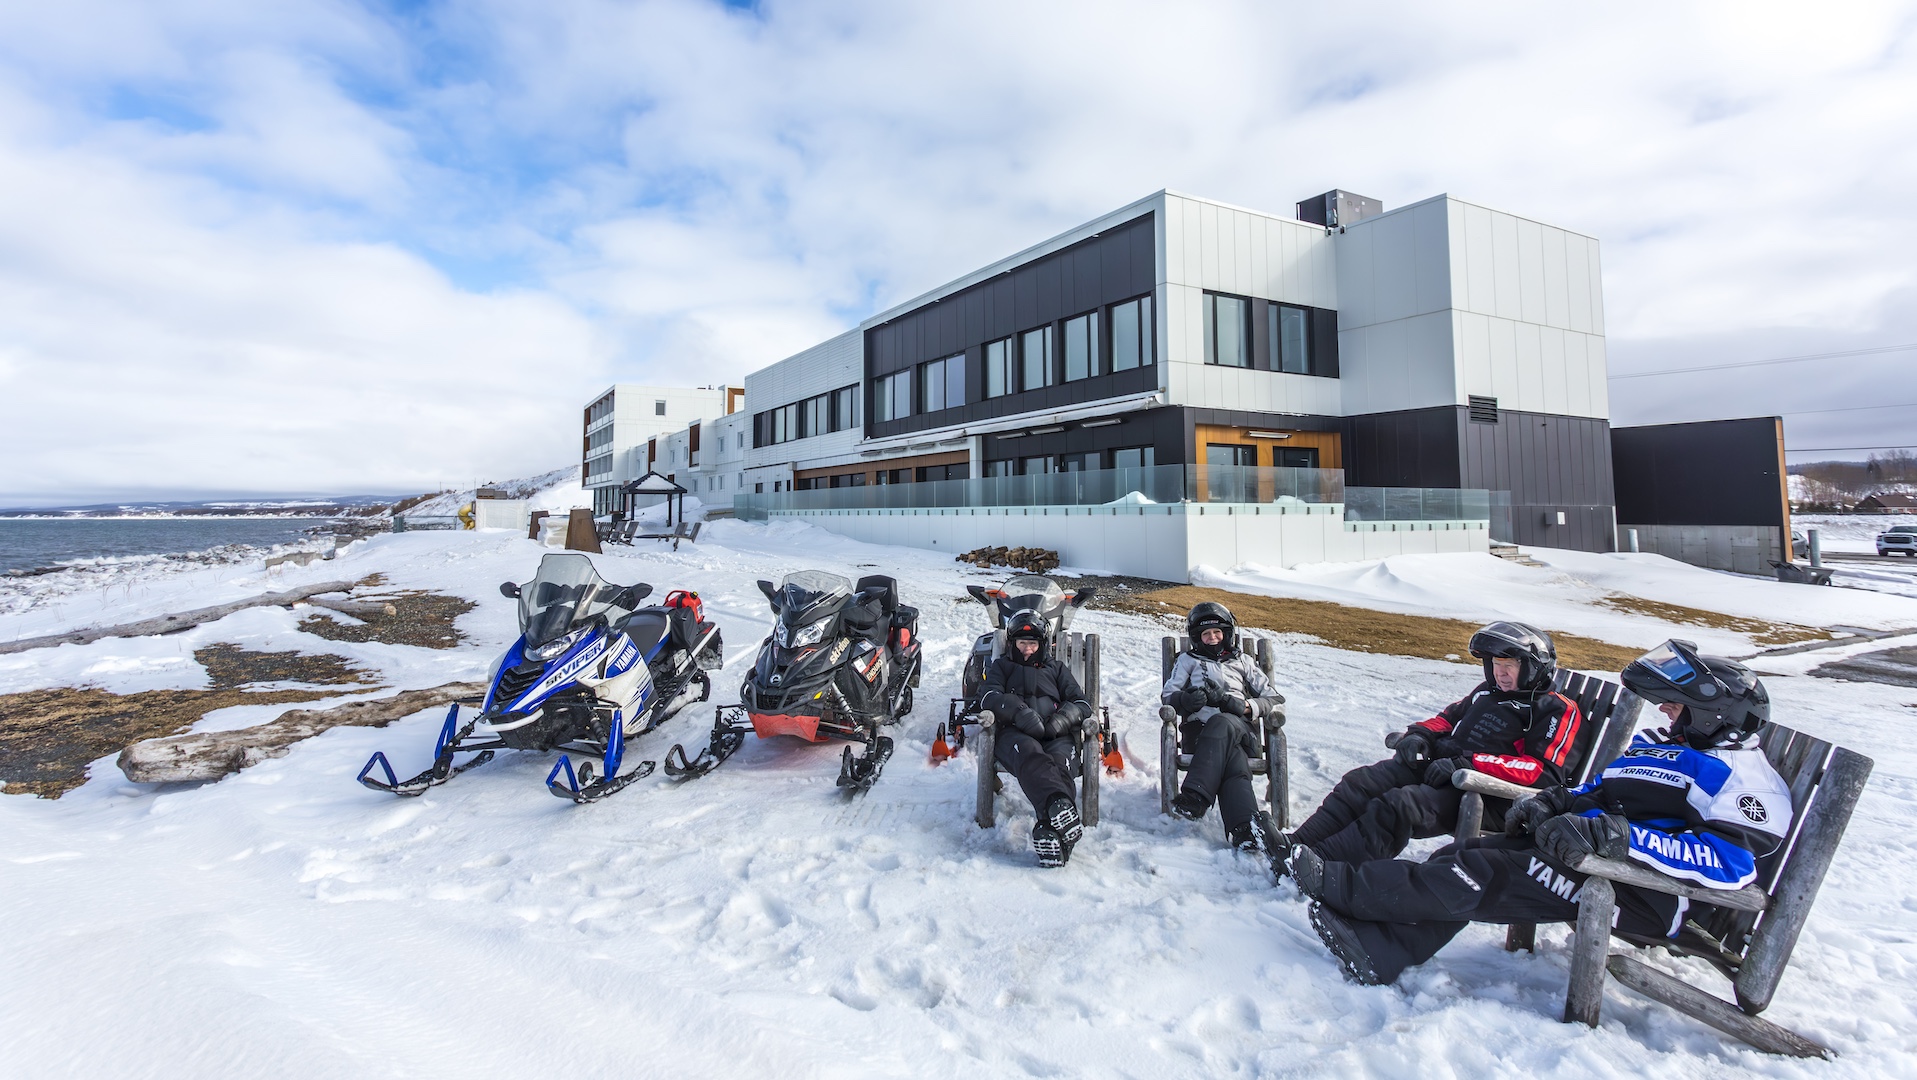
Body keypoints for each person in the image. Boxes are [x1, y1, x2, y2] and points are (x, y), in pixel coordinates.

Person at [1287, 640, 1794, 985]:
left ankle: (1342, 888)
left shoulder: (1745, 780)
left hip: (1644, 892)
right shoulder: (1662, 749)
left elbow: (1731, 863)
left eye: (1676, 706)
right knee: (1466, 855)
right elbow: (1599, 788)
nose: (1665, 712)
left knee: (1479, 871)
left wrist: (1619, 839)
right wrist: (1556, 802)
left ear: (1714, 714)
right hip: (1588, 856)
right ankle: (1383, 949)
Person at [1274, 622, 1582, 869]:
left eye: (1509, 664)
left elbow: (1542, 772)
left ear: (1533, 667)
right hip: (1446, 773)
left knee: (1400, 805)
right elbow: (1447, 718)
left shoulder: (1556, 710)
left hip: (1491, 795)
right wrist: (1419, 735)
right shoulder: (1487, 693)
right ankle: (1297, 845)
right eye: (1495, 663)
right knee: (1362, 782)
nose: (1499, 672)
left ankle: (1322, 865)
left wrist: (1468, 764)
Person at [1162, 602, 1285, 852]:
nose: (1213, 638)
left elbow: (1274, 698)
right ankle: (1244, 830)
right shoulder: (1188, 661)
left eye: (1217, 632)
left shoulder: (1243, 661)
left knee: (1222, 721)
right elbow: (1168, 695)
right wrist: (1185, 700)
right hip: (1200, 733)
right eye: (1206, 634)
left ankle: (1196, 796)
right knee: (1233, 761)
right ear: (1197, 637)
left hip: (1241, 729)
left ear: (1227, 634)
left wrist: (1242, 706)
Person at [980, 609, 1094, 867]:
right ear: (1012, 643)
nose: (1027, 649)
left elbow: (1082, 703)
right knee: (1030, 754)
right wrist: (1017, 711)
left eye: (1033, 644)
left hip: (1056, 733)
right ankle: (1057, 805)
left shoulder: (1057, 669)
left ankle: (1049, 830)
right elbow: (987, 697)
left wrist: (1062, 719)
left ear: (1043, 645)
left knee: (1060, 764)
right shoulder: (1002, 667)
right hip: (1015, 734)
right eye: (1022, 643)